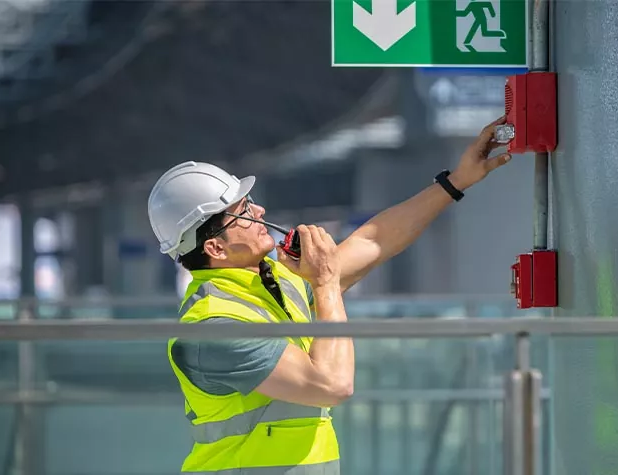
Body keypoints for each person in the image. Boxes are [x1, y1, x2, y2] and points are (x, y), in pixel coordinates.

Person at [146, 117, 512, 474]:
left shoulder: (278, 281)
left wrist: (457, 180)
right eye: (242, 213)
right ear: (216, 248)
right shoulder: (213, 328)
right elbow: (332, 385)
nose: (259, 212)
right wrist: (325, 283)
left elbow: (373, 240)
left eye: (250, 201)